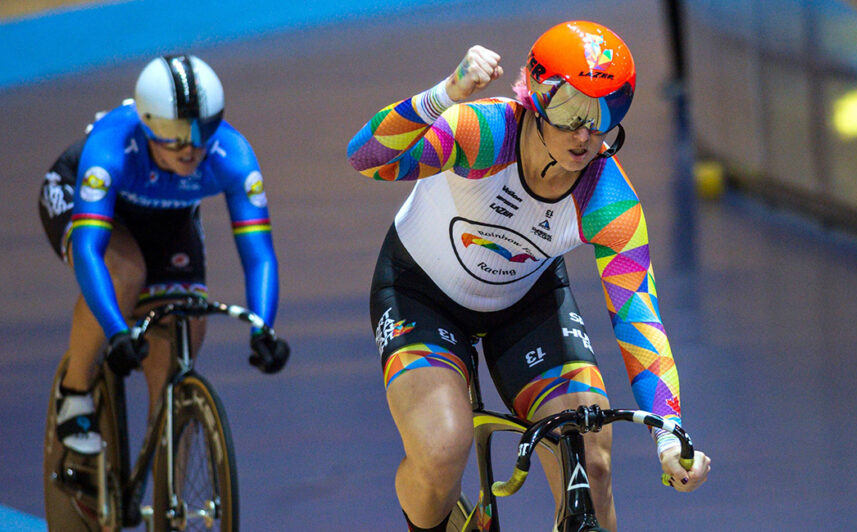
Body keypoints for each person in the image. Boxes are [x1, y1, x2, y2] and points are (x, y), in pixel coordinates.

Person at [347, 20, 710, 531]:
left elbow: (639, 318)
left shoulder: (609, 200)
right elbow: (367, 158)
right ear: (538, 97)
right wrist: (443, 96)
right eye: (570, 112)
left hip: (527, 304)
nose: (585, 135)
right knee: (441, 453)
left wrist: (670, 432)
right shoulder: (485, 133)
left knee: (592, 457)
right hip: (420, 292)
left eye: (603, 115)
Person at [38, 54, 290, 456]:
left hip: (166, 216)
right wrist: (116, 330)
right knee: (124, 274)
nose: (190, 146)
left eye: (202, 129)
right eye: (174, 133)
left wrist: (263, 326)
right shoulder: (110, 150)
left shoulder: (236, 157)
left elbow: (259, 255)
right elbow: (89, 250)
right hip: (88, 203)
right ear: (147, 123)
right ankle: (76, 391)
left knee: (184, 329)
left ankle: (164, 470)